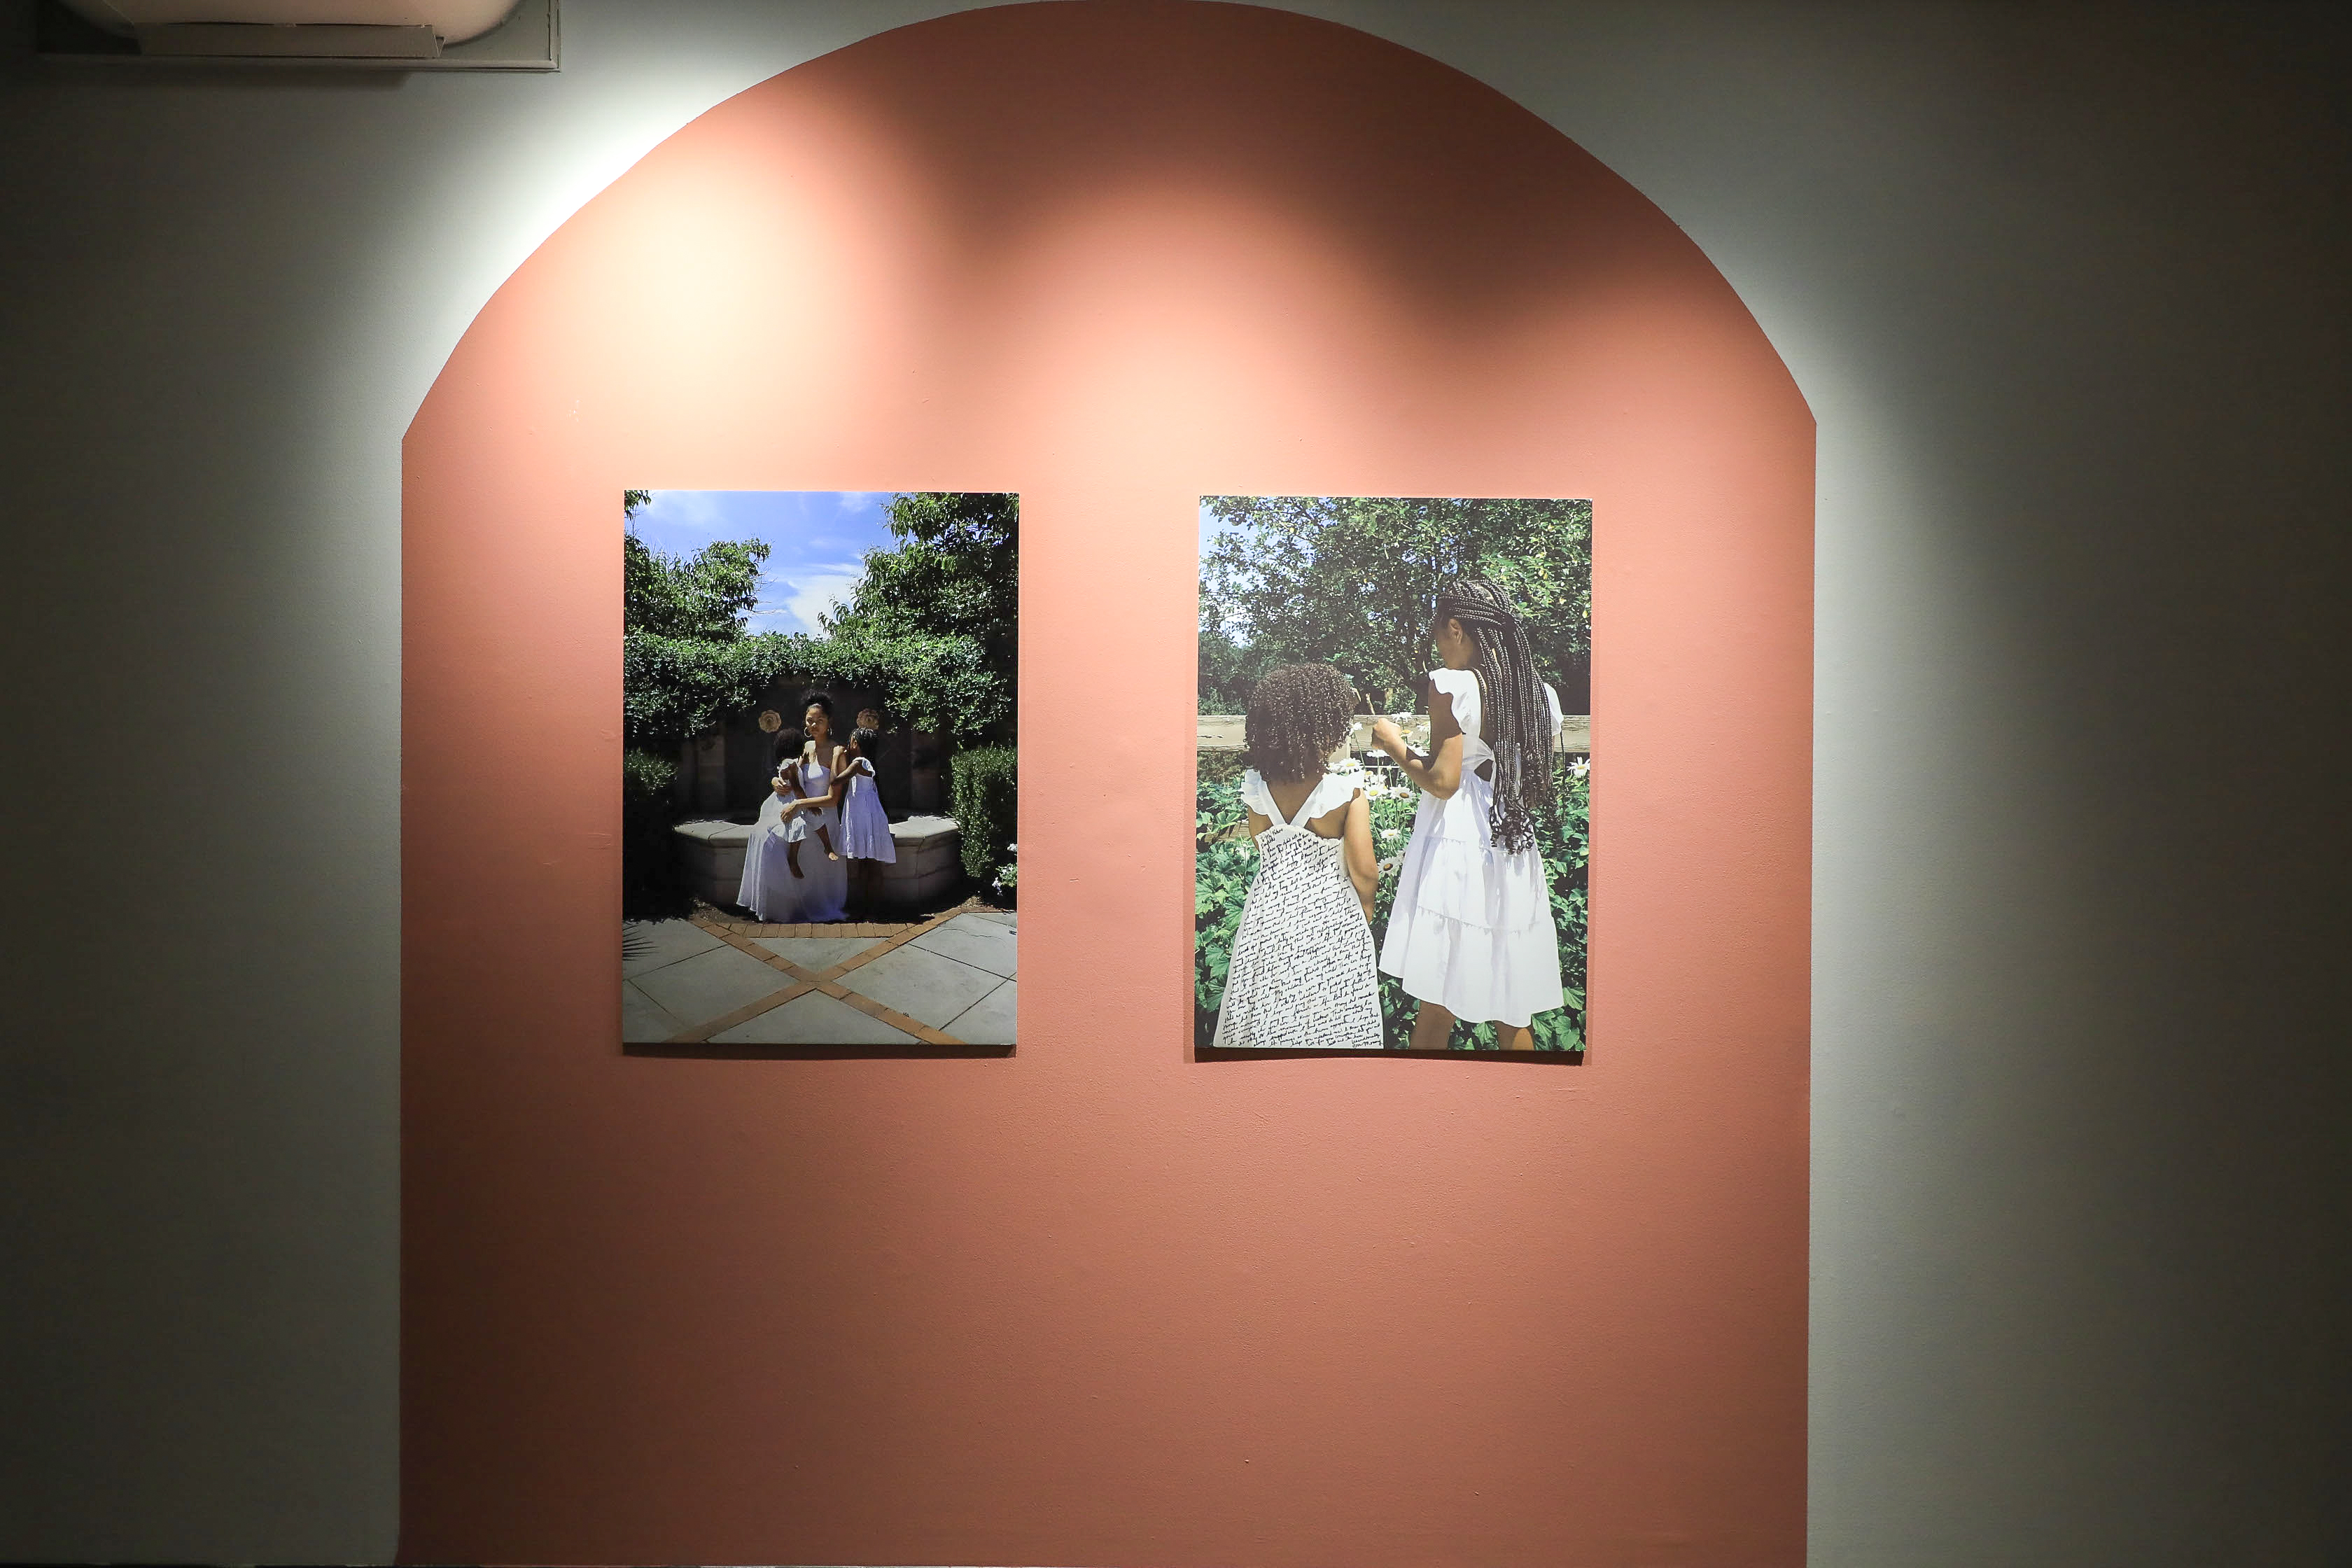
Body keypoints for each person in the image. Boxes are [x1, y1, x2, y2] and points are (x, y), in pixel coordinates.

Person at [1371, 578, 1566, 1050]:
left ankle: (1415, 1108)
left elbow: (1443, 781)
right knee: (1511, 998)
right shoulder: (1540, 695)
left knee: (1437, 995)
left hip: (1459, 841)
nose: (1439, 648)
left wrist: (1392, 742)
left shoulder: (1453, 686)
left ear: (1456, 629)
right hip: (1511, 838)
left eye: (1439, 635)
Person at [1211, 663, 1384, 1051]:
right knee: (1330, 1012)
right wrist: (1367, 907)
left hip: (1267, 913)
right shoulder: (1345, 793)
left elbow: (1263, 845)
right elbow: (1365, 870)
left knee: (1266, 1009)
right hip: (1330, 913)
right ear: (1324, 728)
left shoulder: (1257, 789)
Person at [744, 695, 850, 923]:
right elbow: (790, 774)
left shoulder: (837, 753)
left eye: (819, 720)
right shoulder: (805, 747)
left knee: (798, 838)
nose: (814, 725)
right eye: (810, 720)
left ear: (829, 721)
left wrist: (798, 804)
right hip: (802, 812)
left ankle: (813, 903)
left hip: (823, 816)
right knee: (765, 836)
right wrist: (775, 782)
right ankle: (781, 905)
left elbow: (833, 800)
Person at [835, 725, 896, 916]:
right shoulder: (865, 763)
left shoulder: (859, 762)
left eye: (851, 740)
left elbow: (837, 781)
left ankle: (872, 907)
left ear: (855, 743)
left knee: (869, 862)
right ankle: (868, 906)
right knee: (866, 861)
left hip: (865, 814)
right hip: (864, 813)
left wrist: (837, 755)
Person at [775, 748, 839, 878]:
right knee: (800, 824)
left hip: (799, 800)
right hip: (793, 800)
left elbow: (796, 771)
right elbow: (797, 787)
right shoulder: (790, 765)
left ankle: (828, 847)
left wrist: (801, 762)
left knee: (818, 818)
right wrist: (811, 806)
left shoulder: (794, 764)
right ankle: (793, 859)